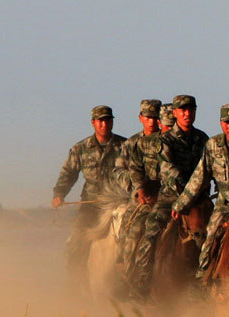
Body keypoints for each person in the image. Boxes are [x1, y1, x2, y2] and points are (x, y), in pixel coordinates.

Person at [129, 94, 209, 300]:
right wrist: (185, 195)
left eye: (191, 110)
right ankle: (142, 284)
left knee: (218, 231)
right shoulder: (164, 140)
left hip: (199, 201)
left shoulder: (203, 139)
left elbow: (209, 167)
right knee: (151, 231)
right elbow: (168, 170)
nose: (187, 114)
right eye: (182, 110)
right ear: (175, 113)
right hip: (170, 198)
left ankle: (212, 282)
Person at [51, 105, 127, 280]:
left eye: (108, 120)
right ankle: (76, 284)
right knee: (77, 241)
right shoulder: (81, 148)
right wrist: (59, 193)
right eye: (100, 120)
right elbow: (68, 173)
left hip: (120, 203)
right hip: (91, 204)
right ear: (93, 123)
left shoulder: (125, 146)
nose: (104, 124)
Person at [171, 103, 229, 280]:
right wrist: (181, 204)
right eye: (227, 123)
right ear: (221, 123)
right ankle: (202, 281)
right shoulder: (213, 145)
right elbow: (199, 177)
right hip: (222, 204)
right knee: (209, 237)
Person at [114, 99, 163, 286]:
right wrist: (137, 189)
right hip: (141, 199)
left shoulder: (167, 140)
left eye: (155, 117)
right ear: (141, 118)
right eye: (148, 117)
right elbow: (118, 171)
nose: (152, 121)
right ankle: (128, 277)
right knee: (130, 230)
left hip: (166, 196)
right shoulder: (131, 144)